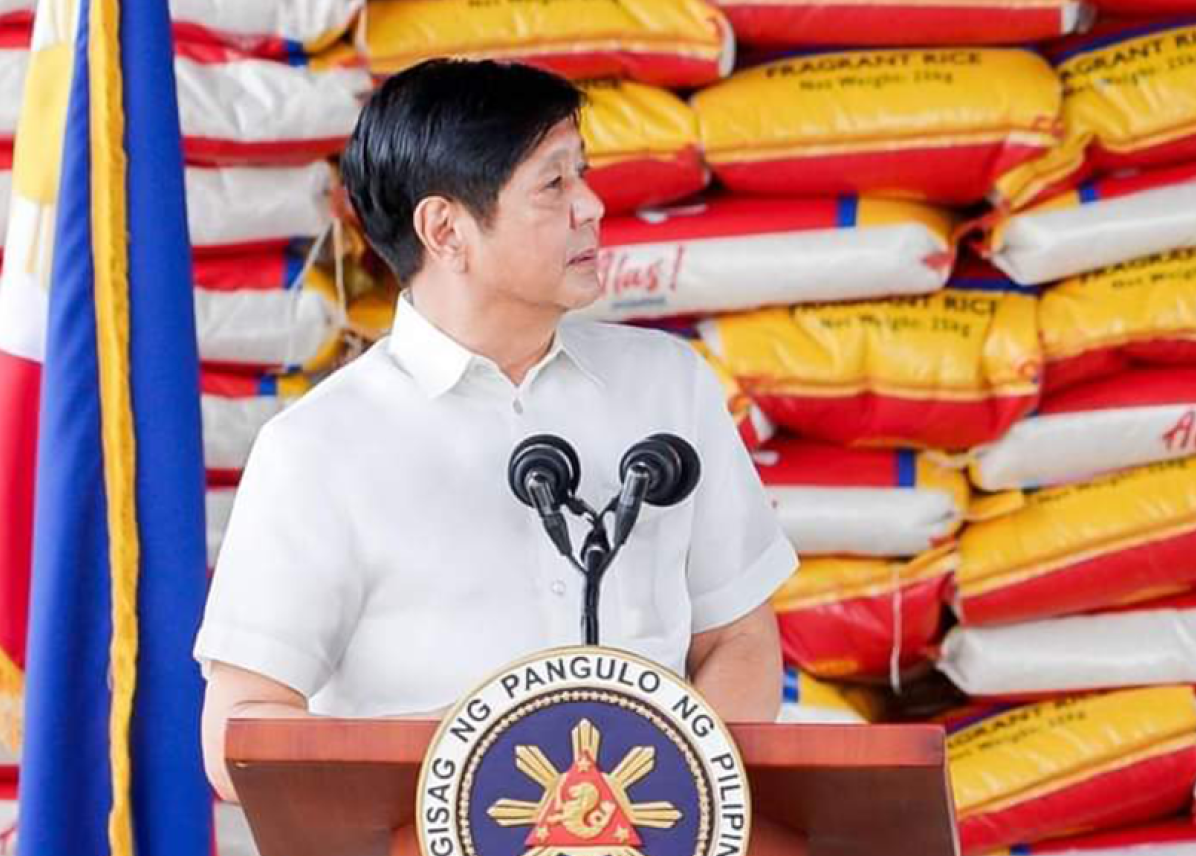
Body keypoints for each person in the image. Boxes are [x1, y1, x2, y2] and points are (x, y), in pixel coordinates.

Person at [193, 59, 799, 802]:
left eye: (584, 173)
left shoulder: (668, 387)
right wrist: (477, 756)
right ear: (446, 229)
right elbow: (238, 736)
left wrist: (657, 796)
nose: (593, 206)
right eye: (554, 185)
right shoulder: (320, 448)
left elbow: (739, 639)